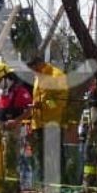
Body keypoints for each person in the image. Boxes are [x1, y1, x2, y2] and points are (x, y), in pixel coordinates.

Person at [27, 56, 67, 184]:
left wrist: (43, 104)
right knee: (42, 157)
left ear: (39, 64)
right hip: (39, 123)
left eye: (34, 68)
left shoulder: (57, 75)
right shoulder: (38, 77)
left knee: (56, 155)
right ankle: (44, 183)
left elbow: (61, 102)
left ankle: (62, 183)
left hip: (52, 123)